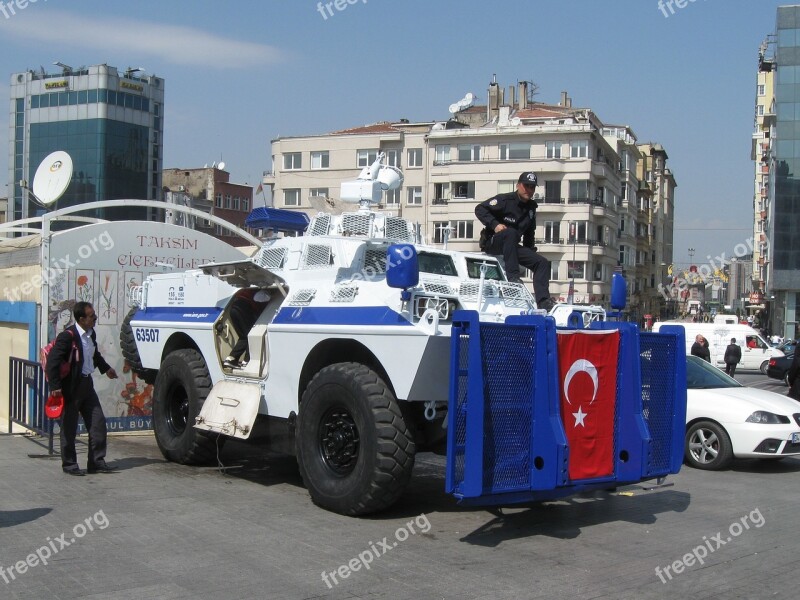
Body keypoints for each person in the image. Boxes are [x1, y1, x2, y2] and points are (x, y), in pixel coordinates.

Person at [45, 301, 118, 476]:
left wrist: (106, 369)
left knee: (98, 423)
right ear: (81, 319)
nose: (95, 318)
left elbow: (95, 355)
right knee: (69, 428)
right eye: (92, 316)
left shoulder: (90, 334)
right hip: (71, 388)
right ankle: (70, 465)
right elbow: (52, 362)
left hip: (87, 385)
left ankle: (96, 462)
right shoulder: (67, 336)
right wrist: (55, 386)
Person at [475, 171, 555, 310]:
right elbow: (480, 209)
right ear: (518, 185)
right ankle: (513, 278)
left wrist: (530, 253)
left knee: (541, 262)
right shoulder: (505, 200)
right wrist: (495, 225)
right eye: (526, 186)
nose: (529, 190)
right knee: (510, 233)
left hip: (511, 246)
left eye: (532, 187)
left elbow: (529, 233)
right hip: (493, 242)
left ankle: (543, 301)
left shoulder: (531, 209)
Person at [223, 289, 270, 369]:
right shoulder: (261, 291)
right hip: (243, 308)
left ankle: (231, 359)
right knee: (249, 335)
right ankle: (247, 360)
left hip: (234, 308)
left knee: (243, 337)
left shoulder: (247, 288)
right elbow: (259, 299)